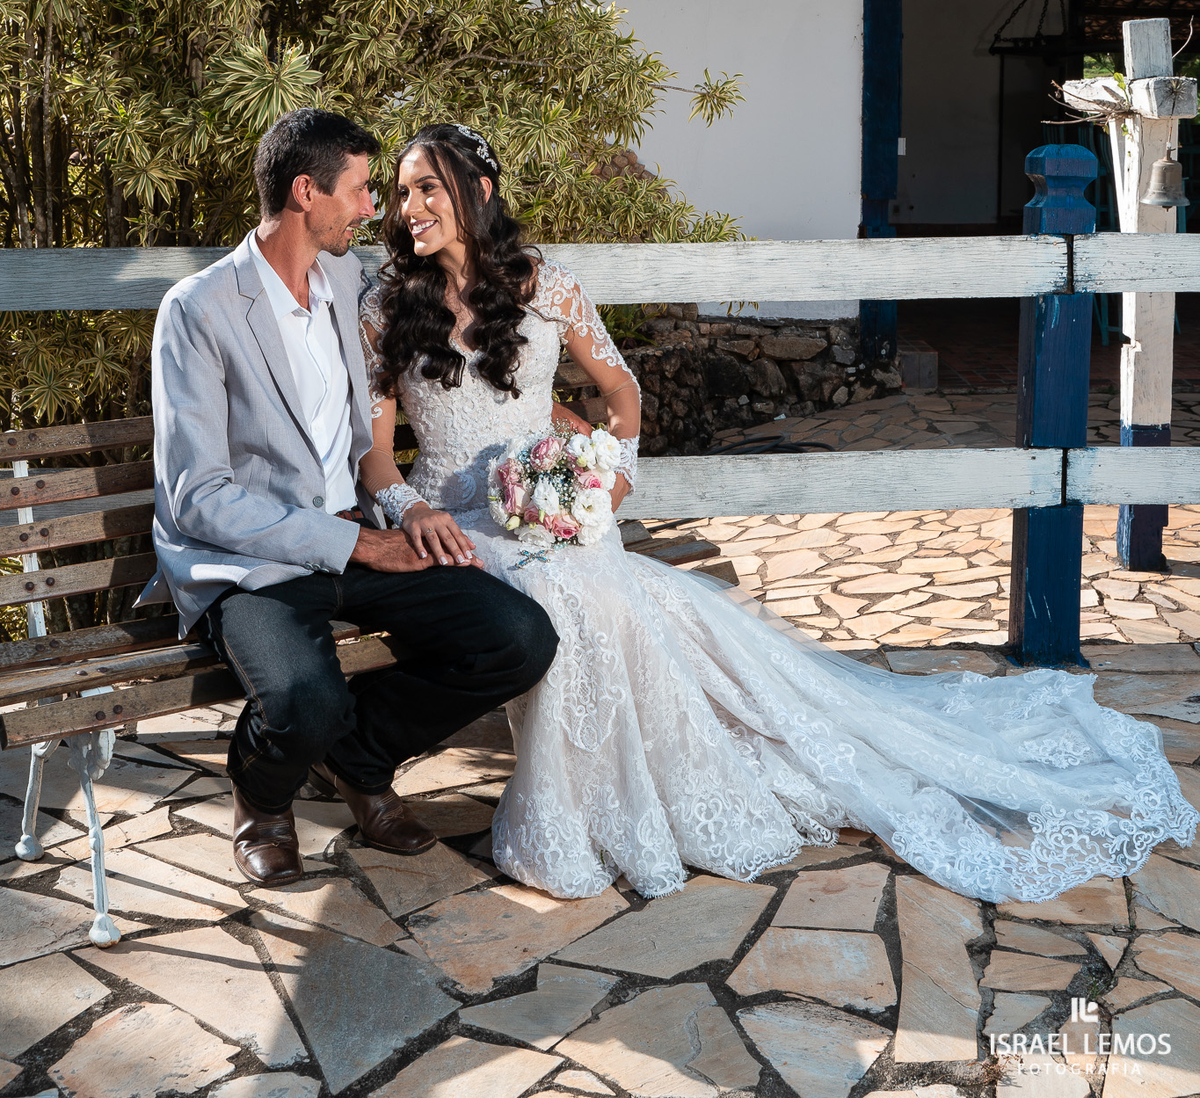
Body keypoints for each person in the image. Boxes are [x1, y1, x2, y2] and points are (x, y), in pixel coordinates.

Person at [358, 120, 1199, 904]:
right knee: (578, 602)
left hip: (552, 514)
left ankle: (615, 802)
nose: (411, 209)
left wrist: (609, 484)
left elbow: (621, 393)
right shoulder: (388, 305)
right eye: (401, 195)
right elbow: (372, 450)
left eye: (428, 188)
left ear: (480, 188)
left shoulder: (547, 288)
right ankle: (571, 816)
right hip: (453, 519)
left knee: (598, 594)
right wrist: (402, 504)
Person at [147, 108, 558, 887]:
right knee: (308, 696)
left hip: (360, 532)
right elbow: (198, 498)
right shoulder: (198, 310)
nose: (376, 209)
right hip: (254, 561)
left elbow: (455, 329)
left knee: (517, 637)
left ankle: (358, 760)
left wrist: (550, 417)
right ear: (306, 192)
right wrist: (365, 544)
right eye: (363, 189)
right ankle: (262, 801)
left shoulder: (347, 282)